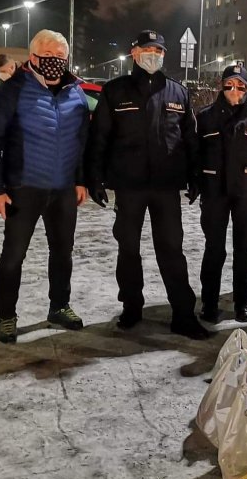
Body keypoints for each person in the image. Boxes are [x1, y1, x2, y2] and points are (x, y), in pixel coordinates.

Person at [85, 30, 210, 340]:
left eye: (158, 49)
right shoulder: (115, 91)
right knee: (128, 249)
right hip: (129, 186)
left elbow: (190, 140)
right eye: (147, 49)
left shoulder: (178, 93)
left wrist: (195, 177)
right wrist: (95, 178)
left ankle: (183, 314)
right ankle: (131, 308)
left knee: (172, 250)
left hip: (166, 187)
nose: (153, 54)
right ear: (134, 53)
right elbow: (99, 138)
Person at [0, 30, 89, 343]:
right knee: (13, 255)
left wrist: (80, 180)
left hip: (63, 189)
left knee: (63, 252)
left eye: (60, 57)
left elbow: (81, 141)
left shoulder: (76, 92)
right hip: (22, 188)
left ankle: (59, 305)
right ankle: (7, 316)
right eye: (48, 57)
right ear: (33, 57)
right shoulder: (12, 91)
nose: (55, 63)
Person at [196, 62, 247, 323]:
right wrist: (196, 184)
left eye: (240, 85)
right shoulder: (205, 116)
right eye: (229, 84)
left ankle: (243, 302)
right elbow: (196, 153)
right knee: (214, 249)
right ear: (222, 85)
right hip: (215, 192)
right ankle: (209, 302)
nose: (234, 89)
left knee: (245, 250)